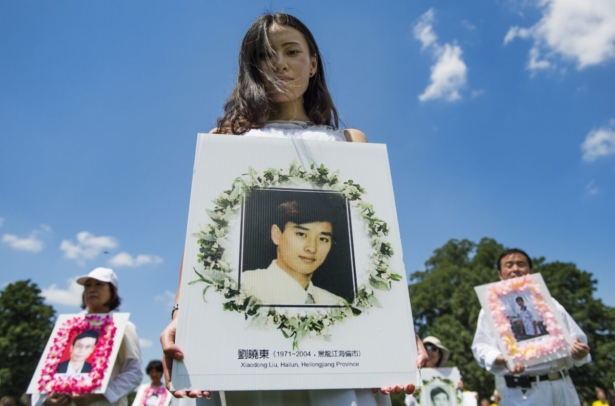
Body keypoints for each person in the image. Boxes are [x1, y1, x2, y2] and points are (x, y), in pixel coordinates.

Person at [160, 12, 428, 406]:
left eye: (292, 51)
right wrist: (182, 313)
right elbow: (202, 234)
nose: (281, 62)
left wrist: (398, 327)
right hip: (246, 363)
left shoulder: (352, 143)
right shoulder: (227, 142)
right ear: (252, 66)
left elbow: (377, 247)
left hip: (341, 367)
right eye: (267, 54)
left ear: (313, 62)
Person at [472, 248, 591, 406]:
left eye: (521, 264)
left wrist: (580, 351)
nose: (515, 269)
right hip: (524, 393)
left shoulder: (550, 302)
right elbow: (481, 347)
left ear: (531, 271)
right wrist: (500, 358)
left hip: (562, 386)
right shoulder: (490, 309)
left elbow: (576, 338)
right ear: (500, 274)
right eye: (509, 265)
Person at [36, 267, 143, 406]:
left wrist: (99, 395)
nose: (92, 289)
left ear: (113, 291)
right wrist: (46, 401)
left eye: (99, 284)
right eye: (88, 285)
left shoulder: (123, 326)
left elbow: (134, 372)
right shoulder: (67, 326)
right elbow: (47, 370)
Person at [241, 196, 346, 305]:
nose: (312, 248)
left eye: (323, 239)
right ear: (276, 235)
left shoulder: (336, 304)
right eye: (301, 234)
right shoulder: (245, 288)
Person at [404, 336, 452, 406]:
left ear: (439, 355)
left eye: (433, 349)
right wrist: (412, 395)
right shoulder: (415, 377)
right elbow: (409, 403)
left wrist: (459, 390)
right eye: (425, 348)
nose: (429, 352)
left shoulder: (450, 377)